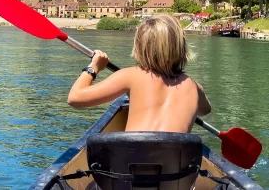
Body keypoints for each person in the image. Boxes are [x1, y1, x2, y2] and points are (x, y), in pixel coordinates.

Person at [67, 14, 211, 133]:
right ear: (181, 47)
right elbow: (204, 110)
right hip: (176, 166)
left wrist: (94, 67)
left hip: (132, 165)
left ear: (140, 46)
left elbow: (74, 98)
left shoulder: (130, 76)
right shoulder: (194, 87)